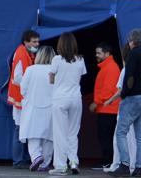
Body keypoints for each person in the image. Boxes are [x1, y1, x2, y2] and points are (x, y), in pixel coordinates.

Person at [102, 43, 141, 174]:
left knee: (121, 134)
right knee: (140, 137)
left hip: (130, 104)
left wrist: (110, 100)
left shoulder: (126, 70)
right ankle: (138, 168)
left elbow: (121, 90)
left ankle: (123, 165)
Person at [49, 33, 87, 175]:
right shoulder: (80, 59)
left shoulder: (56, 59)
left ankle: (60, 166)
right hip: (76, 98)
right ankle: (73, 161)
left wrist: (56, 80)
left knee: (60, 133)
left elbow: (51, 78)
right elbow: (80, 77)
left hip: (60, 98)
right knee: (73, 132)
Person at [19, 45, 56, 172]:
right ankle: (45, 163)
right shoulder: (55, 70)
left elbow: (23, 90)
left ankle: (36, 156)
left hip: (33, 107)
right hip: (51, 107)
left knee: (33, 135)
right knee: (49, 137)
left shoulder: (30, 70)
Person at [8, 29, 41, 168]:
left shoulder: (27, 53)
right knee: (19, 129)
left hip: (24, 98)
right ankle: (18, 161)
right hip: (20, 98)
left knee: (24, 129)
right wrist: (31, 85)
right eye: (34, 41)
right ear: (26, 42)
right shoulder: (22, 54)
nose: (37, 44)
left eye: (38, 41)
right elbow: (17, 78)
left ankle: (23, 159)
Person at [91, 43, 121, 170]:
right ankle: (108, 161)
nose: (96, 55)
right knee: (105, 136)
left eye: (99, 53)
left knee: (106, 137)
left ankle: (108, 162)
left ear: (107, 53)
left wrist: (95, 102)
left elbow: (108, 90)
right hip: (107, 108)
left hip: (108, 109)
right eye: (96, 52)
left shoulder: (111, 67)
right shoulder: (108, 67)